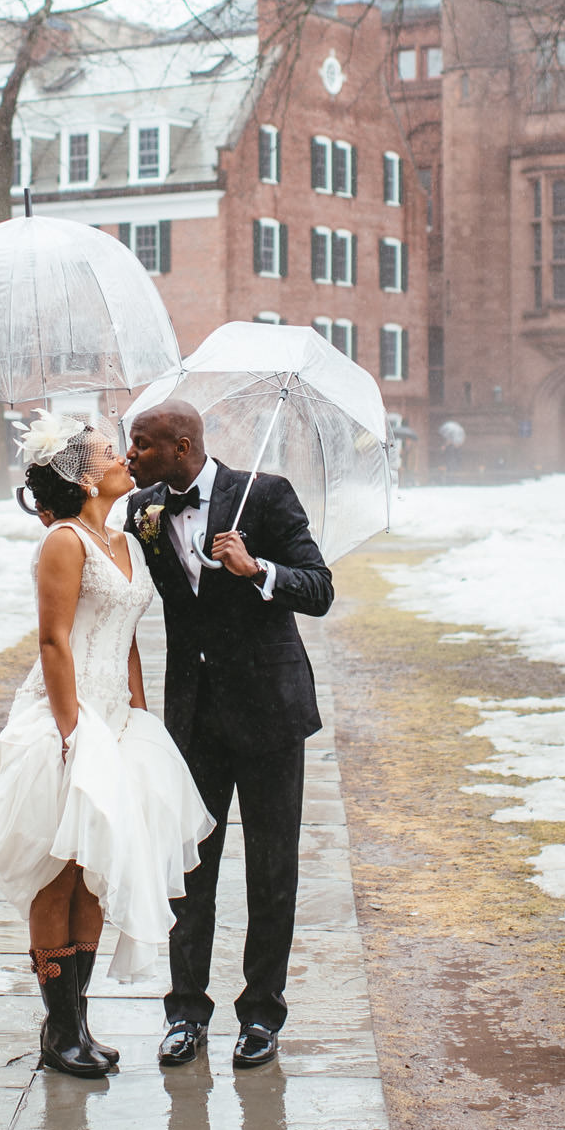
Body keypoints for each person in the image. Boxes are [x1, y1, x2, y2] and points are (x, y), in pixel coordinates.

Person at [0, 413, 212, 1079]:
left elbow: (128, 632)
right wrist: (70, 727)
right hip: (67, 719)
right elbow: (54, 640)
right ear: (83, 474)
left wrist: (136, 710)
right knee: (57, 870)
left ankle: (76, 1022)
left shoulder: (124, 541)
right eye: (113, 451)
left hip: (116, 719)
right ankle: (60, 1027)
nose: (124, 458)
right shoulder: (64, 542)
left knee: (92, 871)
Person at [124, 400, 335, 1071]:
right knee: (190, 871)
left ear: (182, 445)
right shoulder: (144, 508)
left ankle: (261, 1016)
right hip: (194, 718)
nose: (132, 456)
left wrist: (259, 572)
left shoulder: (265, 496)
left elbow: (320, 587)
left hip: (272, 714)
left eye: (142, 445)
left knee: (273, 872)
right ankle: (185, 1012)